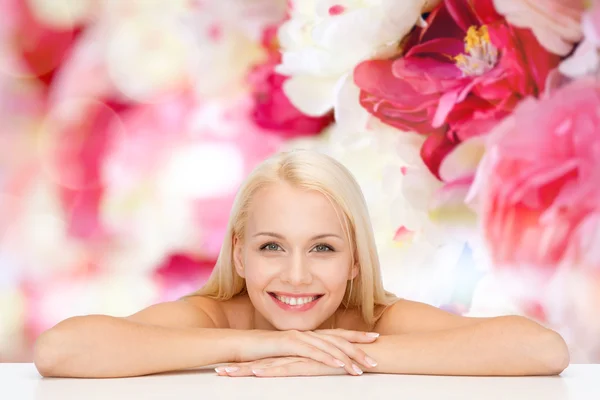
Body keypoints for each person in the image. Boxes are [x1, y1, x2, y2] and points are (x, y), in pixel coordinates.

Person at [33, 150, 570, 379]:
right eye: (271, 247)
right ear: (239, 254)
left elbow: (541, 349)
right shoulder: (216, 317)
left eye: (323, 248)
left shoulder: (374, 321)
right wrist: (266, 344)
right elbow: (62, 349)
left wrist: (339, 360)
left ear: (356, 259)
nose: (296, 275)